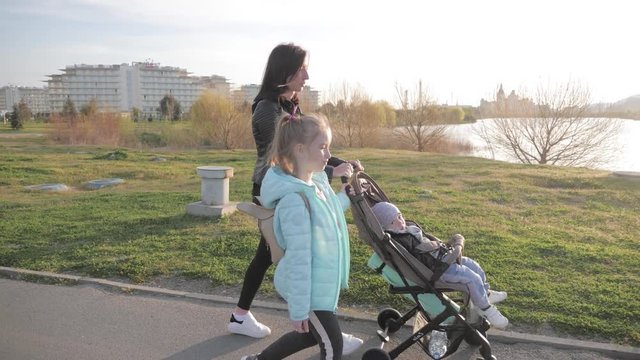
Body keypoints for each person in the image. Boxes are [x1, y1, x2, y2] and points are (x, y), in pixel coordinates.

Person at [228, 43, 363, 354]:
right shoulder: (267, 109)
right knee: (286, 254)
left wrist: (339, 163)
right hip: (275, 188)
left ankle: (246, 316)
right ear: (284, 71)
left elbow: (311, 147)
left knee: (281, 254)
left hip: (294, 184)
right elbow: (289, 157)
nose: (307, 75)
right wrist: (330, 170)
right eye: (302, 68)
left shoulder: (289, 105)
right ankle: (316, 327)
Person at [241, 113, 353, 360]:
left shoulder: (316, 186)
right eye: (322, 147)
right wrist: (300, 309)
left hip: (320, 285)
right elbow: (300, 259)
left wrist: (347, 195)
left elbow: (329, 212)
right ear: (300, 150)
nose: (328, 154)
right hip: (309, 291)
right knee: (333, 345)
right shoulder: (294, 201)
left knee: (311, 335)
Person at [371, 201, 509, 329]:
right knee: (471, 278)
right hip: (436, 270)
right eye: (394, 222)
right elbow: (420, 258)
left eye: (400, 217)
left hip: (442, 258)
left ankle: (485, 293)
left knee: (473, 265)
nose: (401, 223)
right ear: (386, 228)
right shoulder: (399, 241)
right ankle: (485, 309)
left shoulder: (407, 230)